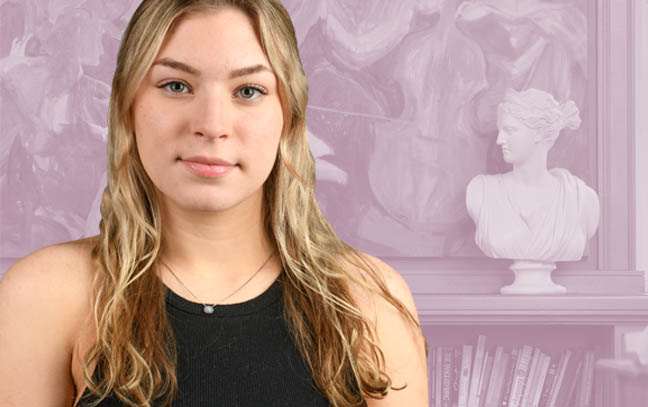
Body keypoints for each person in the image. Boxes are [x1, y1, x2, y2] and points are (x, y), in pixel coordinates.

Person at [0, 1, 428, 406]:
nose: (211, 124)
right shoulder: (43, 295)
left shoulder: (368, 301)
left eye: (248, 91)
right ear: (128, 107)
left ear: (289, 116)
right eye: (176, 85)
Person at [465, 88, 599, 262]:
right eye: (500, 130)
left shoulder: (581, 199)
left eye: (510, 130)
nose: (499, 140)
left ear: (538, 133)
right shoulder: (481, 192)